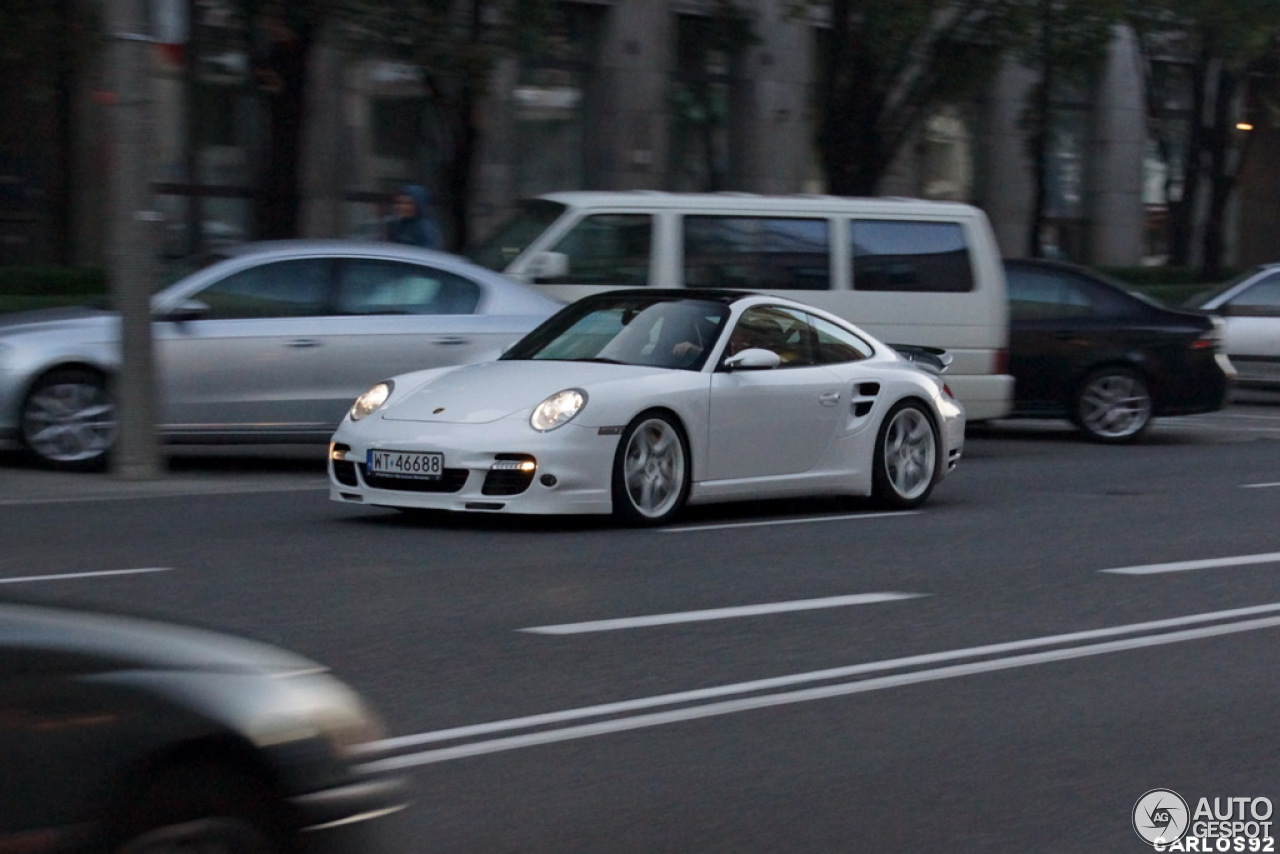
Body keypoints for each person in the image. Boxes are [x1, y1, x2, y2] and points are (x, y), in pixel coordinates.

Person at [386, 184, 443, 249]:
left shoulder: (426, 228)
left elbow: (429, 253)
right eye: (399, 202)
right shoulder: (399, 224)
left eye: (407, 203)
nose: (402, 207)